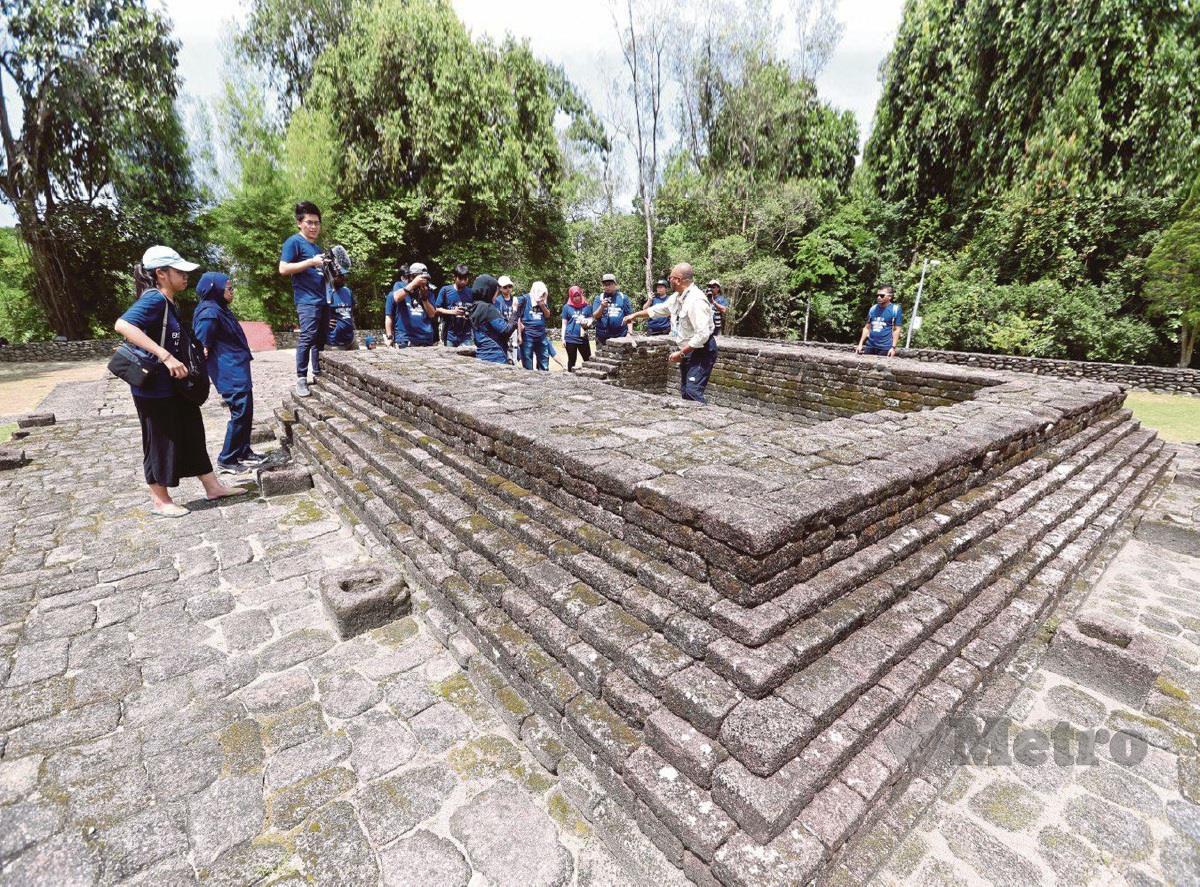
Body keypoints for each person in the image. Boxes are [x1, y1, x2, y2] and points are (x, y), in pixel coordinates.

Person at [114, 247, 246, 517]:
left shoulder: (169, 302)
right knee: (160, 440)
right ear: (161, 274)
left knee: (192, 431)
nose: (186, 276)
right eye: (179, 271)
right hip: (154, 388)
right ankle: (160, 499)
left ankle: (212, 486)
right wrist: (165, 356)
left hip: (174, 386)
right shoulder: (154, 300)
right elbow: (123, 325)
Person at [192, 272, 267, 475]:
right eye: (229, 288)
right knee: (240, 412)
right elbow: (201, 346)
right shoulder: (209, 313)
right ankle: (227, 457)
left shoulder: (220, 308)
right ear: (215, 289)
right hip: (228, 370)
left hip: (237, 367)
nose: (232, 292)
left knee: (246, 410)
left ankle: (243, 451)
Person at [622, 263, 716, 403]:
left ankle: (707, 420)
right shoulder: (678, 297)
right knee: (685, 391)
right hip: (689, 350)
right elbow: (659, 309)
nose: (669, 280)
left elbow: (702, 335)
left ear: (677, 280)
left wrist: (681, 353)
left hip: (701, 351)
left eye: (670, 277)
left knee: (692, 391)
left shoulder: (696, 300)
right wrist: (634, 316)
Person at [278, 201, 328, 397]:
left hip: (323, 299)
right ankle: (301, 378)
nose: (314, 227)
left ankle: (318, 373)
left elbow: (321, 273)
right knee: (307, 337)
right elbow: (283, 268)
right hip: (306, 300)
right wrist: (310, 262)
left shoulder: (317, 247)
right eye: (309, 222)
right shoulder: (294, 242)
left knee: (320, 339)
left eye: (317, 223)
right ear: (299, 223)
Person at [466, 274, 518, 364]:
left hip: (482, 355)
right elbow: (506, 330)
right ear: (488, 291)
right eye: (495, 292)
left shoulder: (475, 306)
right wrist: (515, 311)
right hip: (496, 356)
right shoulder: (488, 308)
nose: (496, 294)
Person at [389, 263, 438, 347]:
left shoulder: (428, 290)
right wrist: (413, 284)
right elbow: (397, 297)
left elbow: (432, 314)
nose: (424, 281)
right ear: (412, 277)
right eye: (422, 278)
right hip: (405, 338)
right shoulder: (400, 285)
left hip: (425, 338)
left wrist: (424, 298)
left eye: (426, 278)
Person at [855, 285, 903, 357]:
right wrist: (860, 344)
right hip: (870, 346)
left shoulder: (895, 309)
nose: (879, 297)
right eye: (877, 295)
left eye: (882, 295)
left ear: (889, 297)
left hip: (885, 348)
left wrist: (893, 348)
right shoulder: (873, 309)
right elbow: (867, 328)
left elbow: (897, 330)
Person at [590, 273, 633, 347]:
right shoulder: (599, 298)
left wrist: (630, 333)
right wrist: (602, 306)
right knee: (601, 358)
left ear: (615, 284)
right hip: (602, 337)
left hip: (620, 336)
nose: (607, 287)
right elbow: (595, 316)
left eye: (609, 284)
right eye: (605, 285)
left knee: (620, 358)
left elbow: (629, 316)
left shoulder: (623, 297)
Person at [436, 264, 473, 347]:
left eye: (465, 279)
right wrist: (453, 312)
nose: (463, 281)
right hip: (449, 334)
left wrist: (468, 314)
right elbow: (437, 309)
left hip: (466, 335)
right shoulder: (445, 290)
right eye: (460, 279)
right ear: (454, 277)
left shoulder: (471, 292)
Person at [520, 281, 552, 371]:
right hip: (527, 335)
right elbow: (517, 315)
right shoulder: (524, 299)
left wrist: (542, 306)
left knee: (544, 361)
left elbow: (547, 315)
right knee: (527, 363)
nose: (541, 296)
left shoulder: (543, 300)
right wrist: (519, 333)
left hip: (541, 335)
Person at [562, 286, 593, 371]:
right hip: (570, 338)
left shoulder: (587, 306)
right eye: (574, 296)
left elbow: (591, 319)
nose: (576, 298)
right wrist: (562, 338)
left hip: (583, 338)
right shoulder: (566, 307)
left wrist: (587, 322)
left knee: (588, 360)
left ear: (581, 295)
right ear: (571, 296)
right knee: (572, 361)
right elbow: (564, 323)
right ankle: (570, 378)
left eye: (578, 295)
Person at [327, 271, 356, 350]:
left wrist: (351, 321)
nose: (344, 278)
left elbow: (352, 308)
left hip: (351, 339)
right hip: (335, 342)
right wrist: (324, 322)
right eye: (340, 276)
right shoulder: (326, 292)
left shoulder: (347, 291)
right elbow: (316, 312)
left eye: (345, 275)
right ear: (333, 276)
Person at [495, 275, 520, 364]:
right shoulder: (498, 300)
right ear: (500, 288)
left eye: (510, 286)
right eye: (505, 287)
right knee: (506, 354)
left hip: (514, 330)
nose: (508, 289)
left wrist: (519, 334)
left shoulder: (515, 300)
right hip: (503, 329)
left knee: (515, 354)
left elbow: (518, 317)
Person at [383, 263, 410, 345]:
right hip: (402, 338)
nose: (409, 280)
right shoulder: (392, 295)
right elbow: (388, 317)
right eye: (406, 277)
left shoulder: (416, 293)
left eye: (410, 277)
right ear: (402, 278)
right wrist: (389, 337)